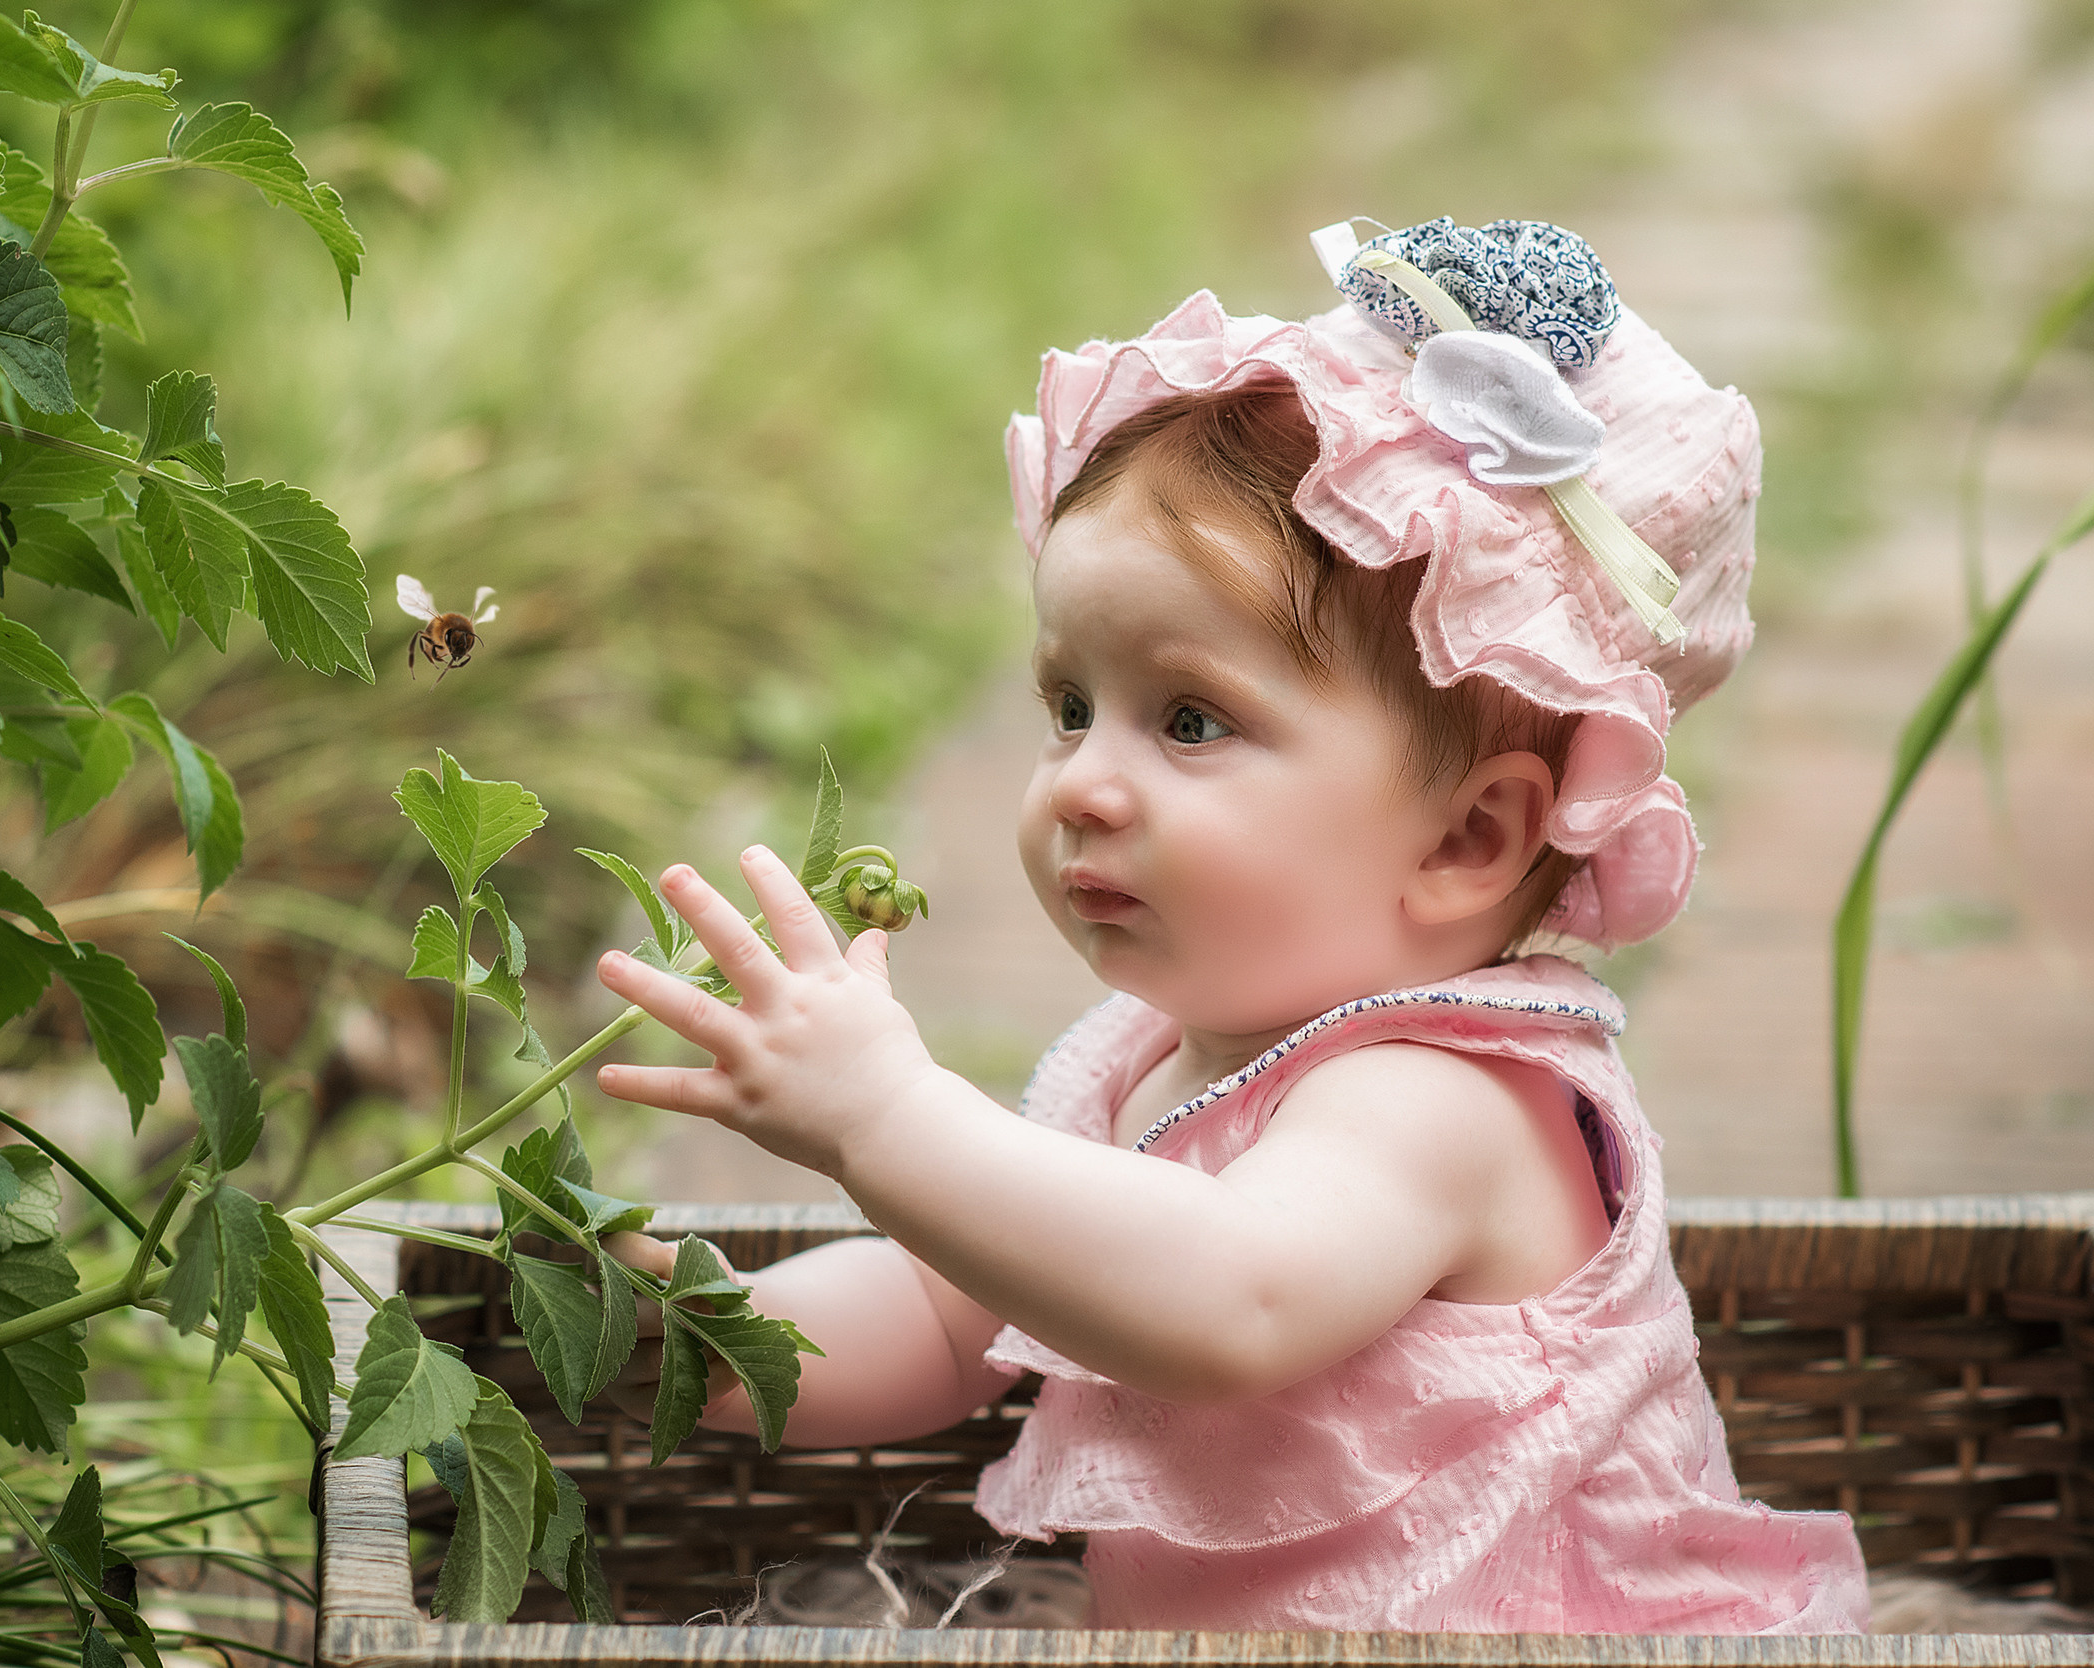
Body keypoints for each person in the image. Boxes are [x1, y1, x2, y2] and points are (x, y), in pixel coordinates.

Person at [591, 217, 1873, 1633]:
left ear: (1468, 840)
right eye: (1069, 706)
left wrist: (885, 1117)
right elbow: (961, 1309)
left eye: (1188, 722)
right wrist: (725, 1337)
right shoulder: (1153, 1059)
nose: (1083, 779)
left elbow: (1230, 1303)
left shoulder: (1445, 1103)